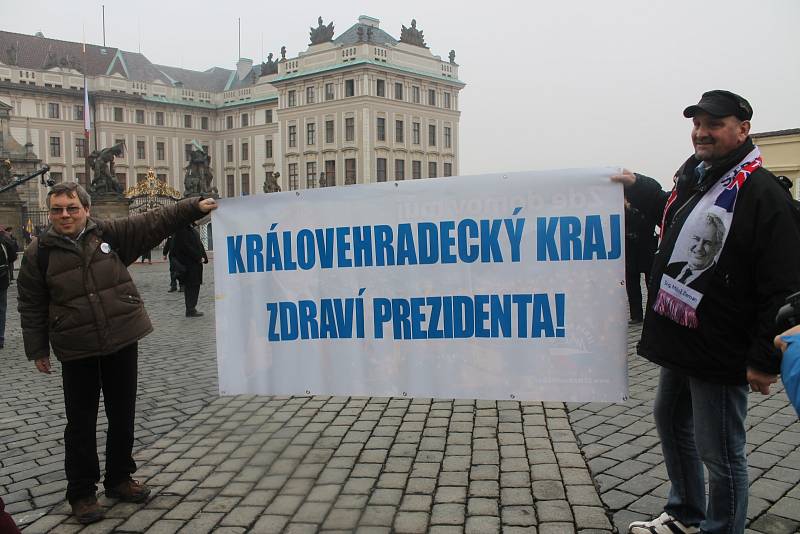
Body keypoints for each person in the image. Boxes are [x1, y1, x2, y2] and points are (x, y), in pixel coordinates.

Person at [612, 90, 800, 534]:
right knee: (670, 419)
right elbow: (676, 220)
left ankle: (721, 528)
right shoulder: (699, 179)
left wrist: (763, 358)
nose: (702, 131)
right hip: (684, 334)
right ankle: (684, 514)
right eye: (697, 123)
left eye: (714, 124)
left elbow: (785, 286)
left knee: (720, 450)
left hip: (722, 345)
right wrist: (639, 184)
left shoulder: (760, 192)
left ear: (742, 129)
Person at [16, 182, 217, 524]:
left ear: (86, 210)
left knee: (122, 413)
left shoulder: (109, 234)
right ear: (50, 213)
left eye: (71, 208)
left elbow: (155, 220)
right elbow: (31, 303)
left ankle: (119, 478)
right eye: (57, 209)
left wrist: (195, 205)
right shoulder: (40, 253)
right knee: (80, 423)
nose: (64, 214)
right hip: (76, 345)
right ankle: (81, 493)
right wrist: (37, 348)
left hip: (122, 337)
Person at [624, 200, 657, 324]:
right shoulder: (622, 207)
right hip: (631, 250)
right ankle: (636, 315)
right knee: (632, 285)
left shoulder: (647, 204)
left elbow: (649, 223)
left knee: (652, 284)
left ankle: (654, 313)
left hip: (646, 248)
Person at [171, 223, 208, 317]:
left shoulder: (192, 230)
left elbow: (200, 244)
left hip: (196, 264)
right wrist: (198, 257)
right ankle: (190, 309)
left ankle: (192, 307)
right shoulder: (181, 230)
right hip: (189, 264)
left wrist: (204, 256)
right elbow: (186, 247)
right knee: (190, 286)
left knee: (195, 286)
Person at [0, 226, 19, 349]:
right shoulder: (3, 240)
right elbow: (13, 256)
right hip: (1, 279)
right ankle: (0, 337)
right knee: (1, 309)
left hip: (2, 279)